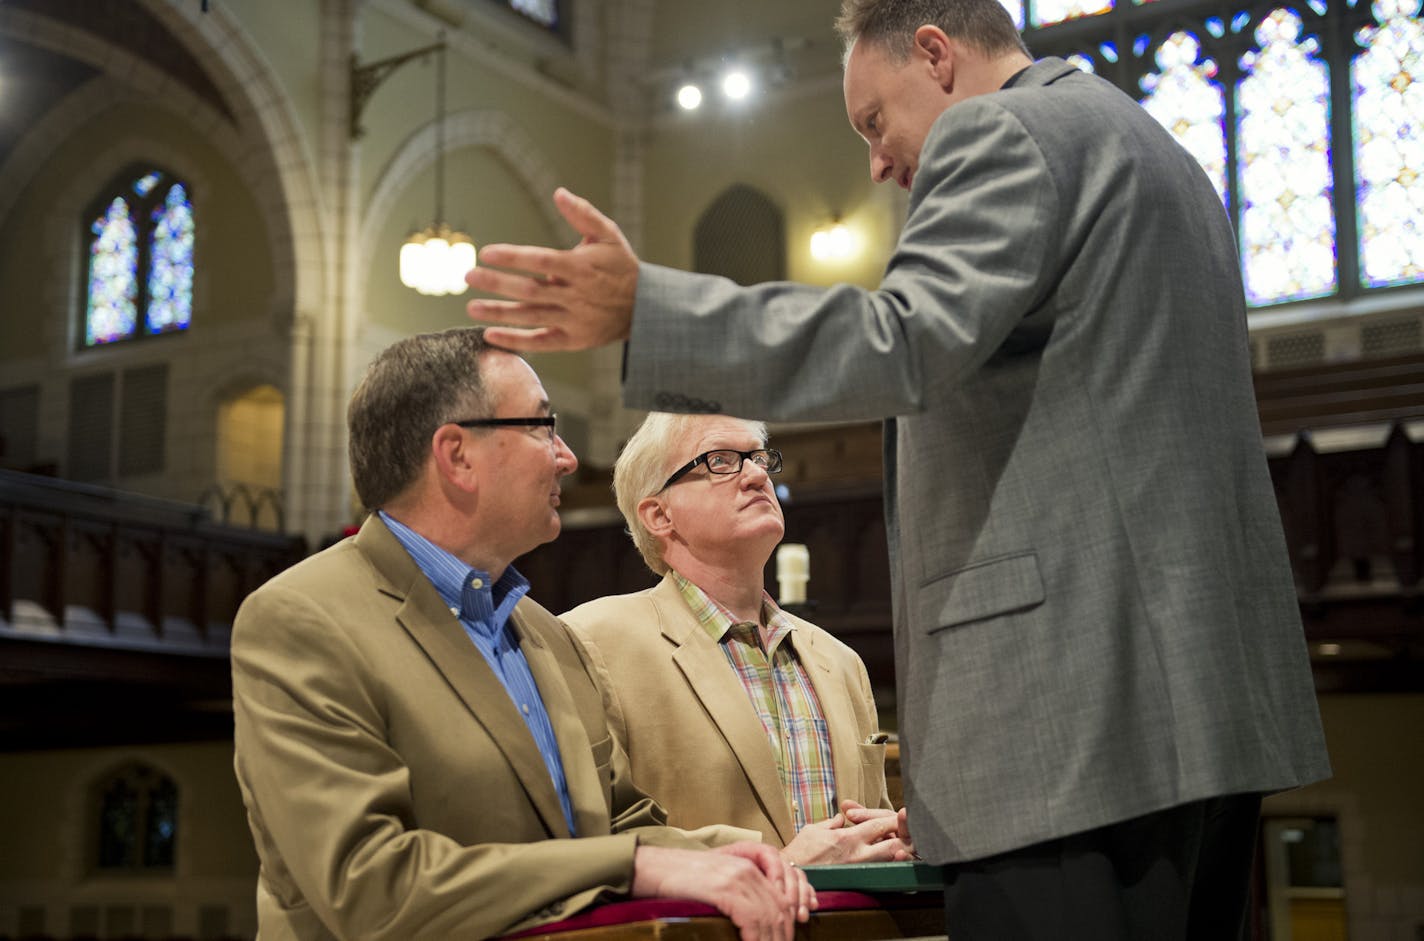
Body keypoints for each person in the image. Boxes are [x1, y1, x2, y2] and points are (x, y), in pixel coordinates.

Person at [462, 0, 1332, 935]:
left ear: (935, 53)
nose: (877, 162)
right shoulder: (1160, 153)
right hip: (1201, 712)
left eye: (875, 121)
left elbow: (905, 338)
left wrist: (654, 313)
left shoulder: (1004, 129)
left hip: (1072, 723)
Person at [229, 328, 812, 941]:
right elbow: (370, 886)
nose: (565, 456)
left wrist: (767, 856)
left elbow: (617, 825)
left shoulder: (544, 632)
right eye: (541, 426)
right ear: (457, 455)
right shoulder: (301, 619)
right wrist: (638, 867)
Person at [561, 412, 912, 865]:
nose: (757, 474)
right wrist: (779, 864)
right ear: (659, 515)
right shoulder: (593, 641)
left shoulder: (840, 660)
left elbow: (866, 827)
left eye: (759, 457)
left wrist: (893, 839)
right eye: (721, 461)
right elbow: (598, 834)